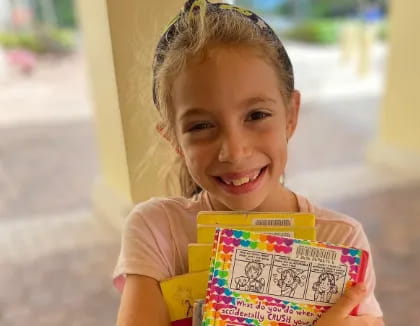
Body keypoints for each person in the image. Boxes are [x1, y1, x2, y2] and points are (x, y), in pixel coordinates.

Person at [113, 1, 384, 325]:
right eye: (201, 126)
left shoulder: (341, 240)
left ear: (291, 115)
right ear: (174, 140)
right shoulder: (156, 230)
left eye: (256, 115)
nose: (234, 151)